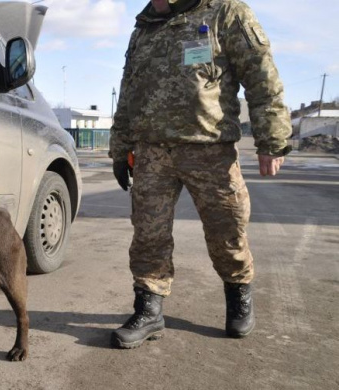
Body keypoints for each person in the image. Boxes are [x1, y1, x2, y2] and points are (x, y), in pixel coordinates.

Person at [109, 0, 291, 349]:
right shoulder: (144, 27)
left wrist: (272, 139)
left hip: (209, 149)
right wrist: (120, 149)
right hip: (151, 151)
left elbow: (260, 73)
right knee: (148, 234)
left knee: (227, 228)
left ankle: (239, 293)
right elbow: (128, 92)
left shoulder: (225, 11)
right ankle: (148, 309)